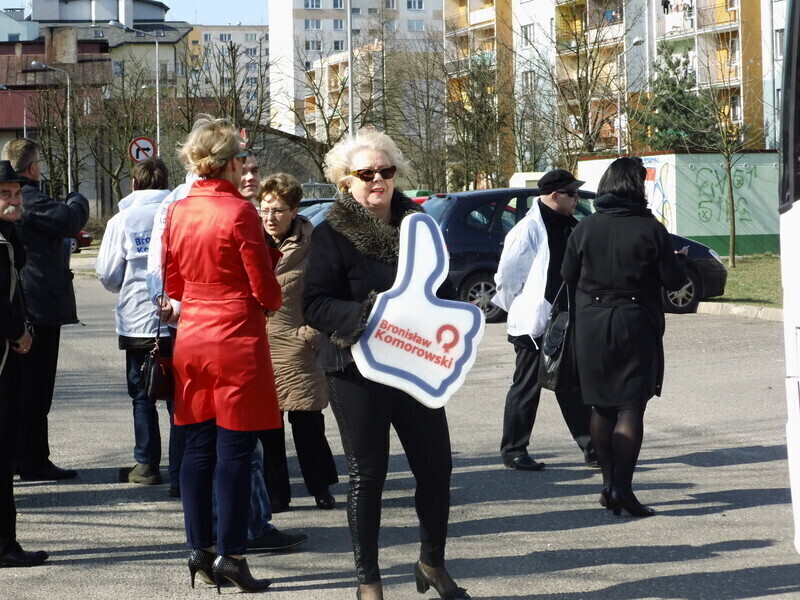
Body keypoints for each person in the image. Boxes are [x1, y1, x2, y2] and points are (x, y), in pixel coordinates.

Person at [302, 128, 469, 600]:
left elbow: (440, 288)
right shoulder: (331, 232)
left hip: (415, 366)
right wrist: (370, 316)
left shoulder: (420, 226)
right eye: (366, 173)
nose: (378, 180)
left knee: (436, 469)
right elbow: (313, 303)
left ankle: (432, 563)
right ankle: (368, 581)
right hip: (355, 367)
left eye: (386, 171)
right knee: (368, 474)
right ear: (345, 181)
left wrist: (454, 319)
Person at [163, 116, 282, 591]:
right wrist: (267, 299)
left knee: (195, 448)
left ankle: (200, 547)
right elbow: (266, 290)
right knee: (234, 450)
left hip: (191, 334)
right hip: (235, 336)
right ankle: (232, 555)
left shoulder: (178, 210)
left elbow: (172, 283)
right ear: (231, 163)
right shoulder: (239, 212)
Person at [561, 157, 687, 517]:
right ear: (636, 187)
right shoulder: (652, 229)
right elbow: (675, 281)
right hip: (635, 324)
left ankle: (607, 485)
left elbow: (568, 275)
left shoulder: (584, 228)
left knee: (602, 407)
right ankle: (624, 490)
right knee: (631, 408)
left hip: (592, 326)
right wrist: (675, 260)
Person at [492, 169, 595, 471]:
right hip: (534, 323)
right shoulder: (528, 229)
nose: (577, 199)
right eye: (572, 194)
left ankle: (592, 448)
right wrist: (519, 308)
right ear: (554, 196)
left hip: (564, 319)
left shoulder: (570, 225)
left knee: (570, 385)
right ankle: (513, 450)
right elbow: (508, 277)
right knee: (526, 387)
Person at [1, 139, 89, 481]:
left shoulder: (18, 201)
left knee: (23, 390)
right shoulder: (31, 198)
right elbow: (69, 219)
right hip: (37, 306)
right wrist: (76, 197)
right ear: (34, 169)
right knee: (35, 391)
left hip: (26, 304)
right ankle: (32, 459)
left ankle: (24, 457)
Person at [259, 172, 338, 513]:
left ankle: (321, 487)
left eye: (277, 210)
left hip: (298, 349)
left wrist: (309, 336)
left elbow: (327, 296)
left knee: (307, 424)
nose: (269, 218)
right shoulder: (252, 242)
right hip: (259, 350)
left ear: (294, 211)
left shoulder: (314, 245)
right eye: (264, 210)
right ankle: (276, 495)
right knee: (267, 429)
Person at [96, 158, 172, 486]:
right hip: (181, 319)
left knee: (142, 394)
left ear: (133, 185)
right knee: (180, 396)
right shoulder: (178, 214)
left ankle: (146, 464)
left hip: (138, 323)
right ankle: (185, 468)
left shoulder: (121, 221)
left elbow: (108, 274)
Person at [0, 160, 48, 568]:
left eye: (16, 193)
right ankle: (4, 546)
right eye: (5, 194)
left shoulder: (10, 235)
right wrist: (18, 333)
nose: (14, 200)